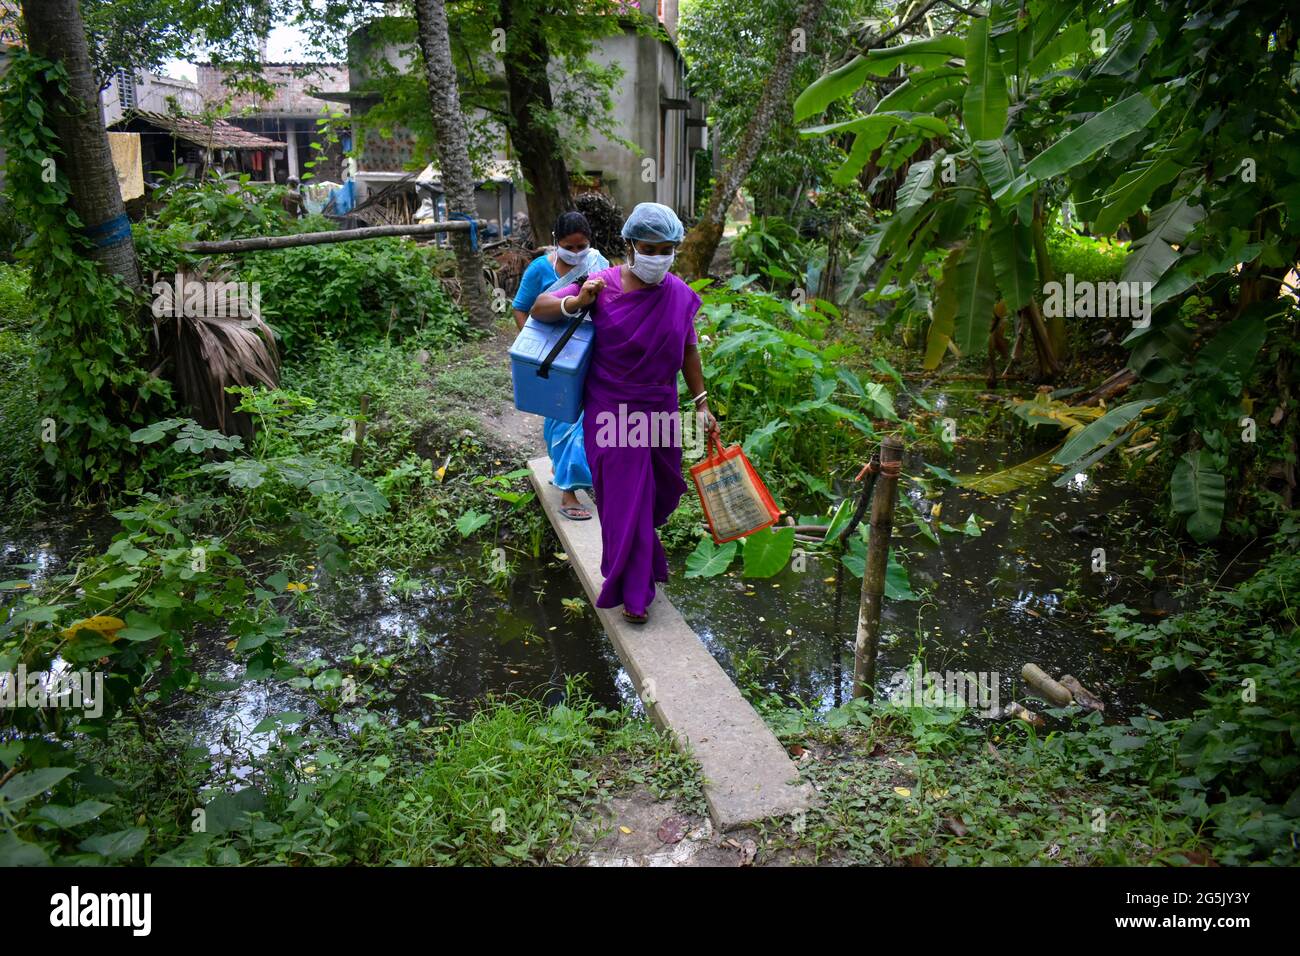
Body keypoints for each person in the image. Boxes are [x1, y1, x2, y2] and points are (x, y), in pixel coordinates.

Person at [533, 202, 719, 624]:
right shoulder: (600, 283)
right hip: (611, 413)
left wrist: (702, 402)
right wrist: (575, 301)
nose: (657, 257)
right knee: (623, 500)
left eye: (666, 248)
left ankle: (642, 563)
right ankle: (634, 594)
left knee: (654, 497)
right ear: (630, 245)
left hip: (660, 411)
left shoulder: (678, 295)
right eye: (649, 248)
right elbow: (542, 307)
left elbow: (689, 348)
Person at [513, 211, 610, 520]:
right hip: (554, 358)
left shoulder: (599, 264)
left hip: (589, 352)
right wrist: (535, 352)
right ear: (557, 242)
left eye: (583, 246)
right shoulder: (539, 269)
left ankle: (570, 481)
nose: (578, 252)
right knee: (561, 416)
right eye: (570, 246)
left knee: (584, 418)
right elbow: (520, 309)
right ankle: (567, 490)